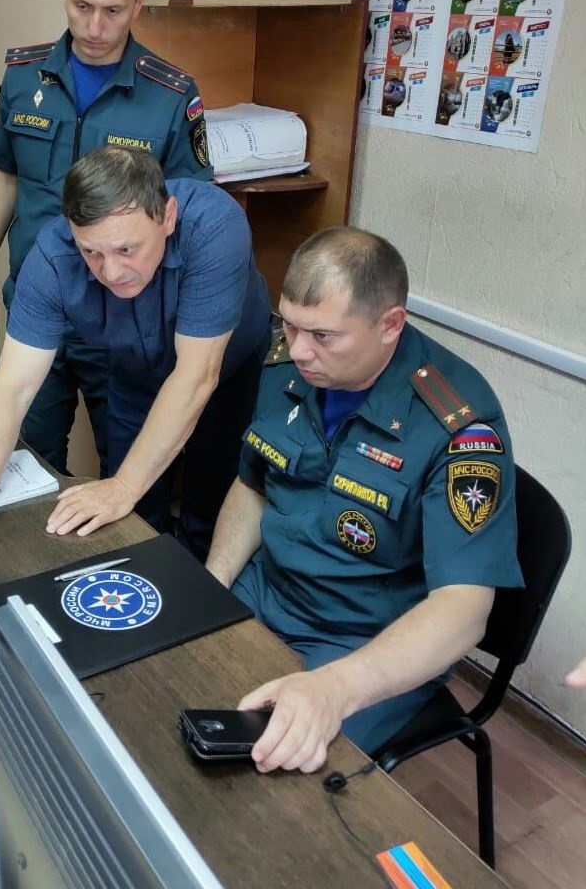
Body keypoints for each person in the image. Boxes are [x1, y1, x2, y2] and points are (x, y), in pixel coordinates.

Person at [205, 226, 522, 772]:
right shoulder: (289, 364)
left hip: (362, 639)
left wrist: (335, 688)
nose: (299, 349)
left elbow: (464, 611)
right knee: (158, 689)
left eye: (323, 335)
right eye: (291, 325)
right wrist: (210, 585)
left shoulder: (459, 425)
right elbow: (253, 487)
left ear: (390, 325)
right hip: (269, 592)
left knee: (263, 775)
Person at [0, 146, 269, 565]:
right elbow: (12, 387)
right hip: (133, 375)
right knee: (132, 517)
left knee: (208, 509)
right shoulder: (53, 255)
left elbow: (196, 376)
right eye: (92, 253)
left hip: (223, 378)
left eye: (127, 250)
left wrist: (124, 486)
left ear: (169, 216)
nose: (111, 272)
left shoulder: (215, 225)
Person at [0, 0, 212, 477]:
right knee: (27, 460)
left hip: (128, 319)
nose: (96, 27)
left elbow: (187, 212)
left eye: (113, 11)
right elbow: (3, 174)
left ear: (139, 4)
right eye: (82, 6)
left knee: (130, 469)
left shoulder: (170, 95)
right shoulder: (22, 75)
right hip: (39, 303)